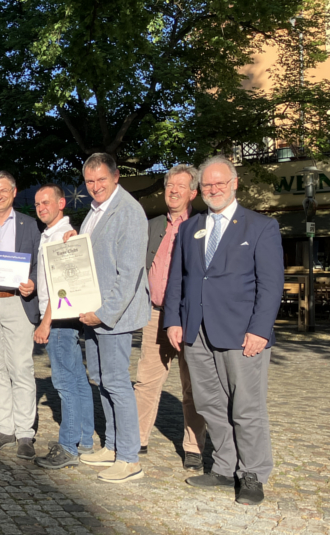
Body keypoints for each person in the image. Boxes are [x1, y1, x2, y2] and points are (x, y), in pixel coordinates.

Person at [165, 156, 283, 506]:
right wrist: (173, 319)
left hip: (242, 332)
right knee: (208, 403)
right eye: (207, 185)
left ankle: (252, 473)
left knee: (246, 407)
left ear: (235, 183)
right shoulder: (190, 227)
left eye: (220, 183)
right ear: (199, 190)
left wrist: (260, 329)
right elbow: (178, 279)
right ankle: (224, 466)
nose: (213, 189)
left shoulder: (261, 226)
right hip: (196, 330)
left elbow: (271, 284)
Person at [64, 153, 150, 483]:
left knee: (116, 382)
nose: (96, 186)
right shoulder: (95, 211)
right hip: (93, 312)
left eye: (101, 179)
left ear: (116, 177)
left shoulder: (127, 211)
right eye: (89, 181)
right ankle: (113, 446)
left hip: (113, 314)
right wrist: (76, 242)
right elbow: (96, 255)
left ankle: (129, 459)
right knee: (101, 379)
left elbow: (129, 272)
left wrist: (103, 314)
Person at [134, 165, 207, 468]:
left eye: (181, 186)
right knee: (146, 381)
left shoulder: (203, 226)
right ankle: (136, 439)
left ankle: (194, 446)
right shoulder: (152, 226)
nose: (173, 190)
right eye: (169, 185)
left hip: (191, 317)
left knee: (193, 386)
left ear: (194, 192)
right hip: (154, 313)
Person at [0, 171, 41, 460]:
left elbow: (41, 262)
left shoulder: (30, 225)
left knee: (21, 368)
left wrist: (34, 282)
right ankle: (4, 427)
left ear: (14, 192)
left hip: (17, 301)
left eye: (3, 190)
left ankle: (25, 432)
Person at [32, 184, 94, 469]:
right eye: (37, 204)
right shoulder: (50, 234)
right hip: (63, 315)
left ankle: (68, 446)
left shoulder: (62, 237)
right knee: (78, 380)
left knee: (65, 383)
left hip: (59, 316)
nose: (42, 207)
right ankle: (85, 440)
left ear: (62, 203)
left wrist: (45, 323)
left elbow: (61, 287)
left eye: (47, 202)